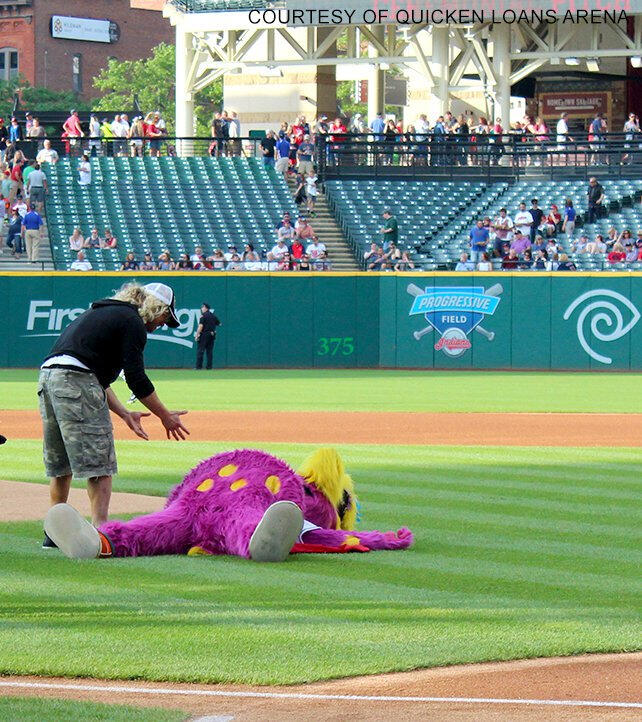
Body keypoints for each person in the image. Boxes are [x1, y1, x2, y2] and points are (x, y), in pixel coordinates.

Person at [38, 282, 190, 543]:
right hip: (76, 381)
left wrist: (124, 413)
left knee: (61, 464)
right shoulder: (132, 322)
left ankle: (53, 531)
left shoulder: (101, 312)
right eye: (166, 316)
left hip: (49, 379)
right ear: (157, 308)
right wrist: (165, 415)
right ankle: (102, 533)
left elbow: (93, 374)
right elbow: (136, 379)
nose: (164, 324)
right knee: (100, 463)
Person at [194, 303, 221, 370]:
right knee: (209, 352)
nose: (201, 308)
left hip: (204, 335)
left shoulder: (203, 316)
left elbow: (200, 326)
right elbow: (219, 324)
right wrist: (212, 327)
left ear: (205, 308)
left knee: (201, 350)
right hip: (211, 335)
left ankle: (198, 367)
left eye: (202, 307)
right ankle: (209, 367)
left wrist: (197, 335)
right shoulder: (213, 316)